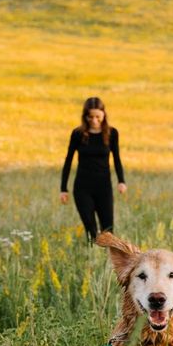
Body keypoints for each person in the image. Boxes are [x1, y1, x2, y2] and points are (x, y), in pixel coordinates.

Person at [60, 97, 127, 241]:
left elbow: (117, 158)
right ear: (85, 116)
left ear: (104, 114)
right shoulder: (78, 134)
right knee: (90, 230)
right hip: (82, 187)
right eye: (91, 116)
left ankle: (109, 259)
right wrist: (63, 189)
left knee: (108, 230)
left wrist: (121, 181)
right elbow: (68, 160)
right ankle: (92, 256)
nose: (95, 120)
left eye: (98, 116)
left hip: (103, 187)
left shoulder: (112, 133)